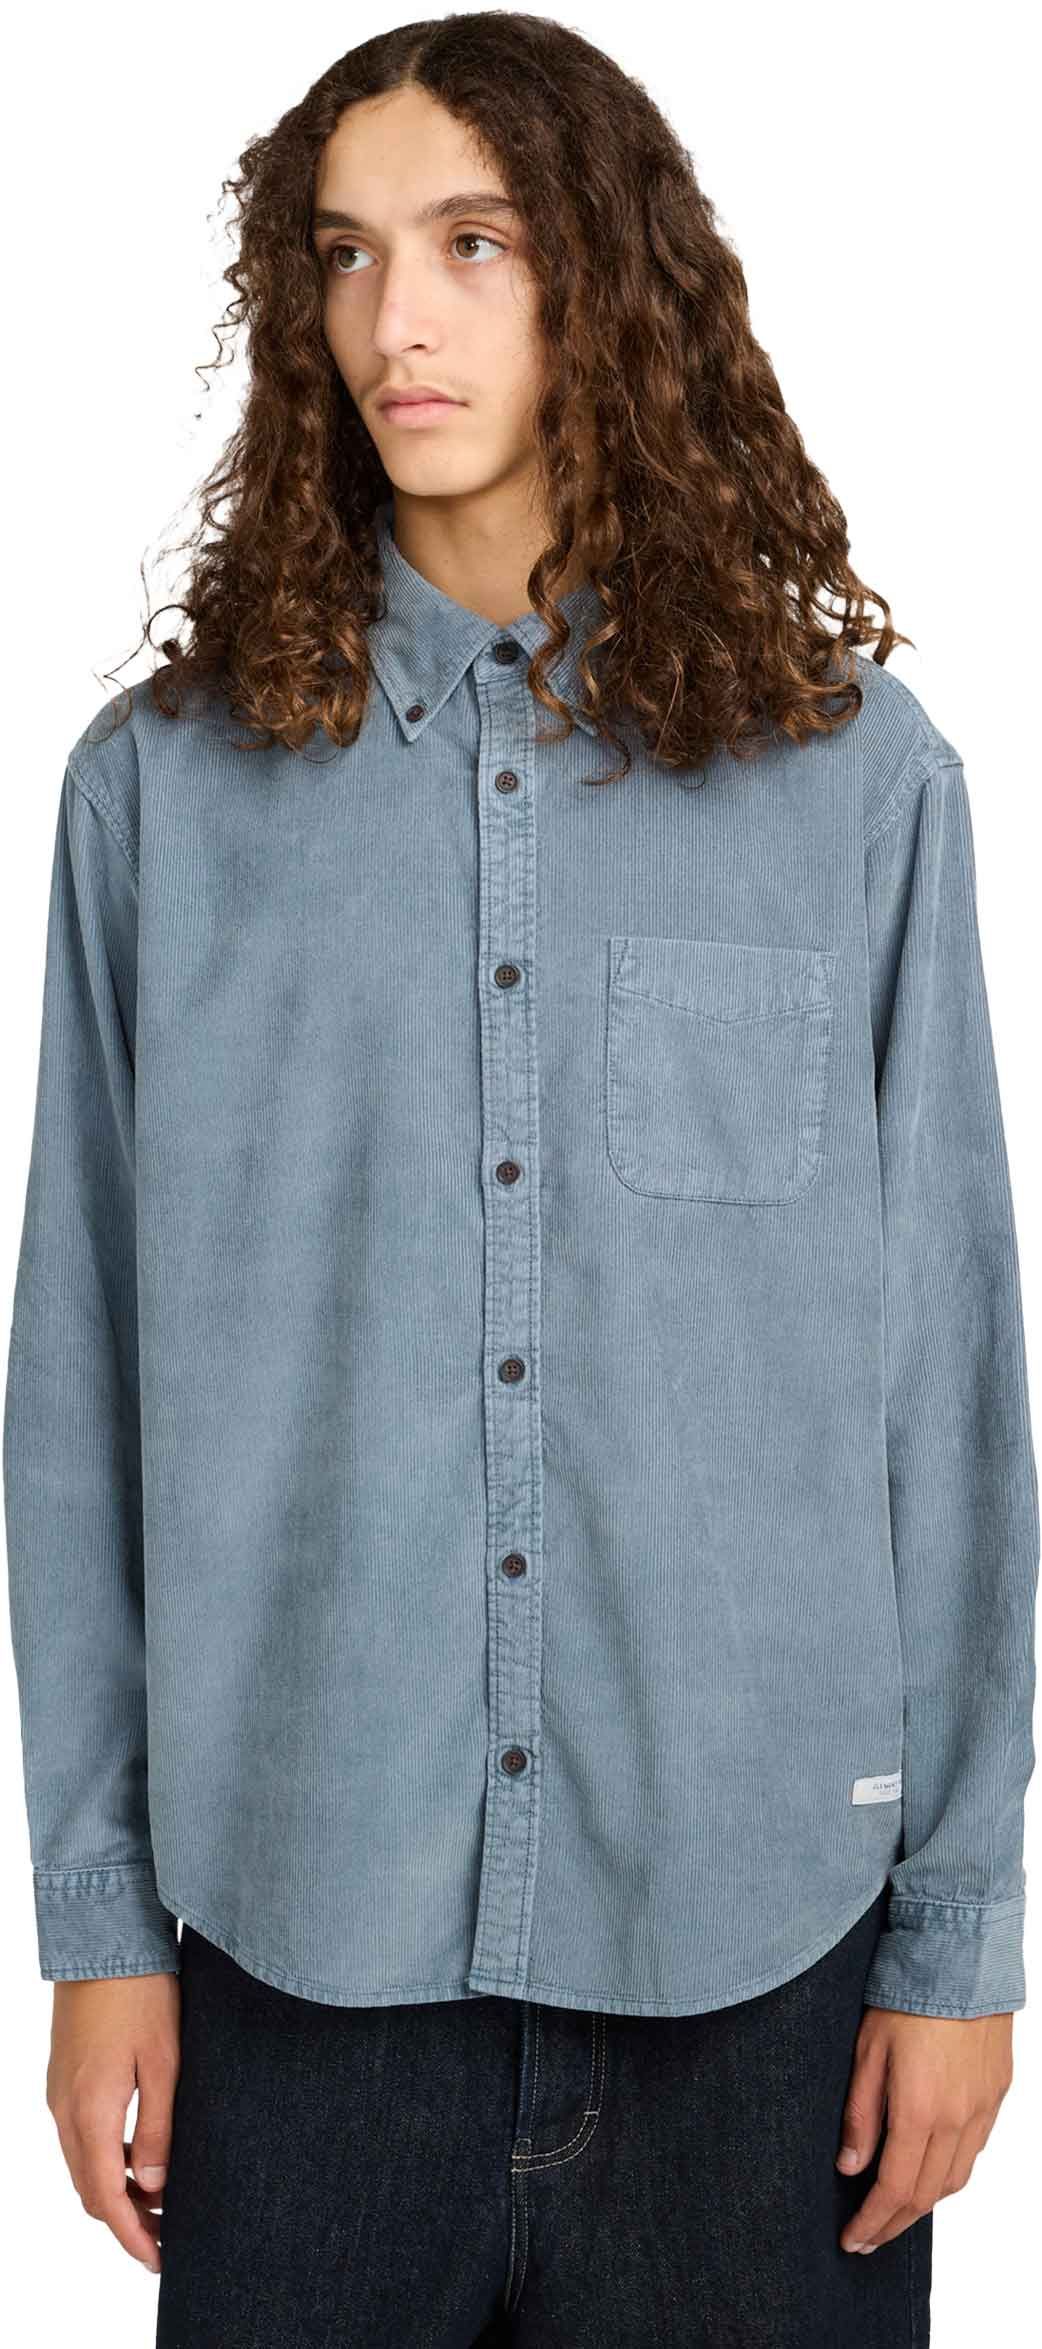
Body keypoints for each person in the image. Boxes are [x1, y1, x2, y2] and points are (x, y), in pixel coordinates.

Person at [3, 15, 1038, 2347]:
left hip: (763, 1978)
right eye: (345, 254)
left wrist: (957, 1932)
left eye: (473, 243)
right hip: (294, 1965)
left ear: (604, 276)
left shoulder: (847, 778)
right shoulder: (158, 799)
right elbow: (77, 1389)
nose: (398, 317)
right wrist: (96, 1922)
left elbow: (943, 1373)